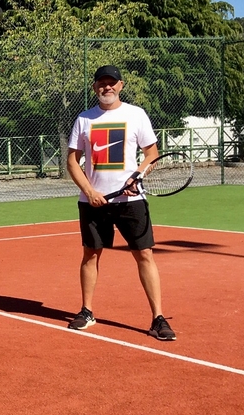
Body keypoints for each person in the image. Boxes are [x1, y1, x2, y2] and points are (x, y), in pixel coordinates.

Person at [65, 64, 176, 341]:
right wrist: (89, 191)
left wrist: (137, 176)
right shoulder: (84, 120)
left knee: (145, 255)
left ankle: (158, 318)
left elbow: (152, 153)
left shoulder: (136, 115)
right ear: (95, 88)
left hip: (132, 200)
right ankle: (87, 311)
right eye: (102, 83)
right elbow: (71, 161)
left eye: (112, 83)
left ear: (121, 86)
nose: (107, 88)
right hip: (94, 202)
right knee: (91, 254)